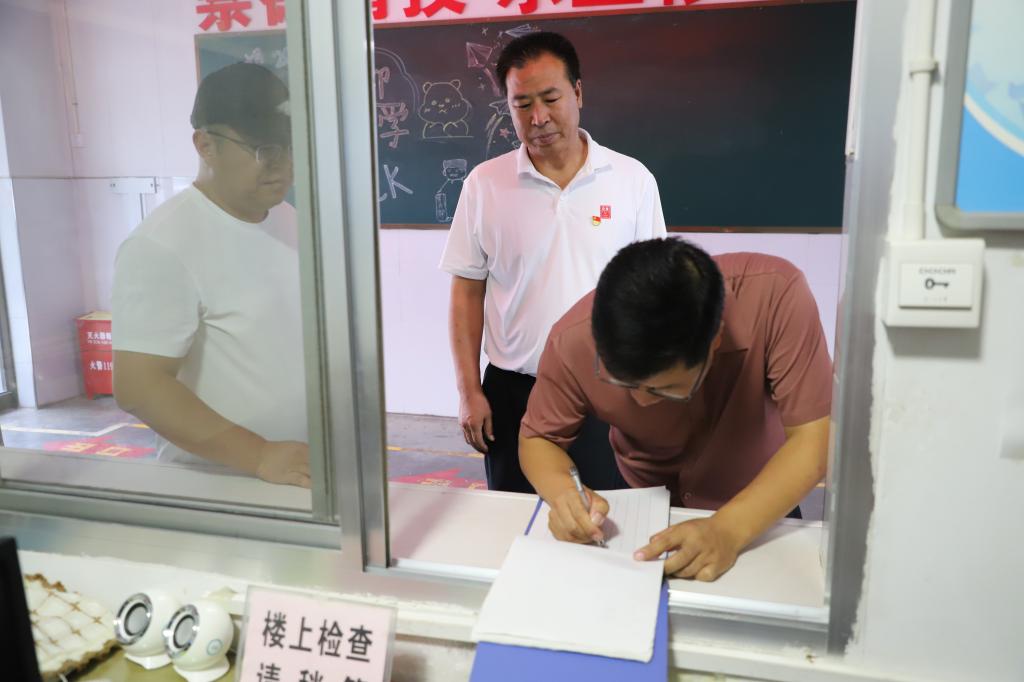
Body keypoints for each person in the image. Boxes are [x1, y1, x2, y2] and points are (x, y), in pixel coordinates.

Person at [519, 239, 832, 580]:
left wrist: (728, 529)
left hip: (761, 500)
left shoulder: (776, 295)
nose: (640, 402)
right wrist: (564, 494)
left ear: (714, 341)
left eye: (663, 390)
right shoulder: (572, 340)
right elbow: (538, 439)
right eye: (622, 383)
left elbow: (814, 439)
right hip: (642, 499)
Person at [440, 31, 667, 493]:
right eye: (522, 104)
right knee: (515, 519)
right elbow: (467, 292)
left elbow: (655, 293)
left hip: (609, 390)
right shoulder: (485, 185)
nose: (538, 117)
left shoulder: (632, 180)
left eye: (550, 98)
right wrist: (469, 392)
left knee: (614, 517)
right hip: (514, 394)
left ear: (577, 93)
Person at [111, 62, 310, 488]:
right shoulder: (161, 244)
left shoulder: (287, 219)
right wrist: (259, 454)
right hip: (219, 480)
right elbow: (139, 385)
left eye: (289, 147)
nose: (281, 165)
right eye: (263, 149)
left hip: (295, 471)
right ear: (205, 145)